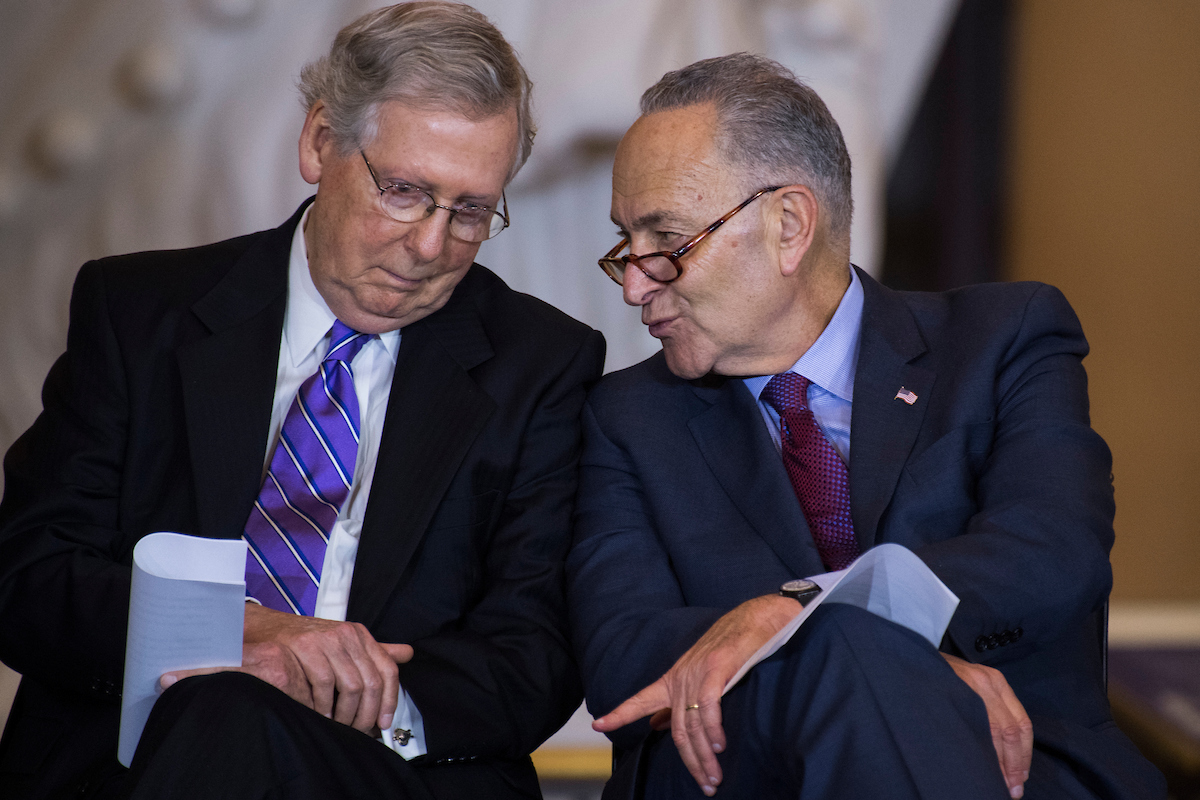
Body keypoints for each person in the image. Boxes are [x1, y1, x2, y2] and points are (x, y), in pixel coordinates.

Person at [0, 3, 605, 798]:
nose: (430, 246)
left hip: (384, 768)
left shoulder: (541, 363)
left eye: (469, 211)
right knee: (223, 712)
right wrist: (245, 637)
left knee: (237, 718)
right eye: (405, 191)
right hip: (132, 757)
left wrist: (341, 686)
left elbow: (536, 653)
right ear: (321, 142)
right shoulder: (140, 312)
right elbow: (31, 577)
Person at [567, 53, 1163, 800]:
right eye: (626, 244)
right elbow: (622, 652)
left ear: (789, 224)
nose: (633, 283)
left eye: (668, 243)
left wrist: (795, 606)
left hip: (1015, 766)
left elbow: (1051, 554)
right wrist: (887, 669)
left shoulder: (1002, 339)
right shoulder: (623, 417)